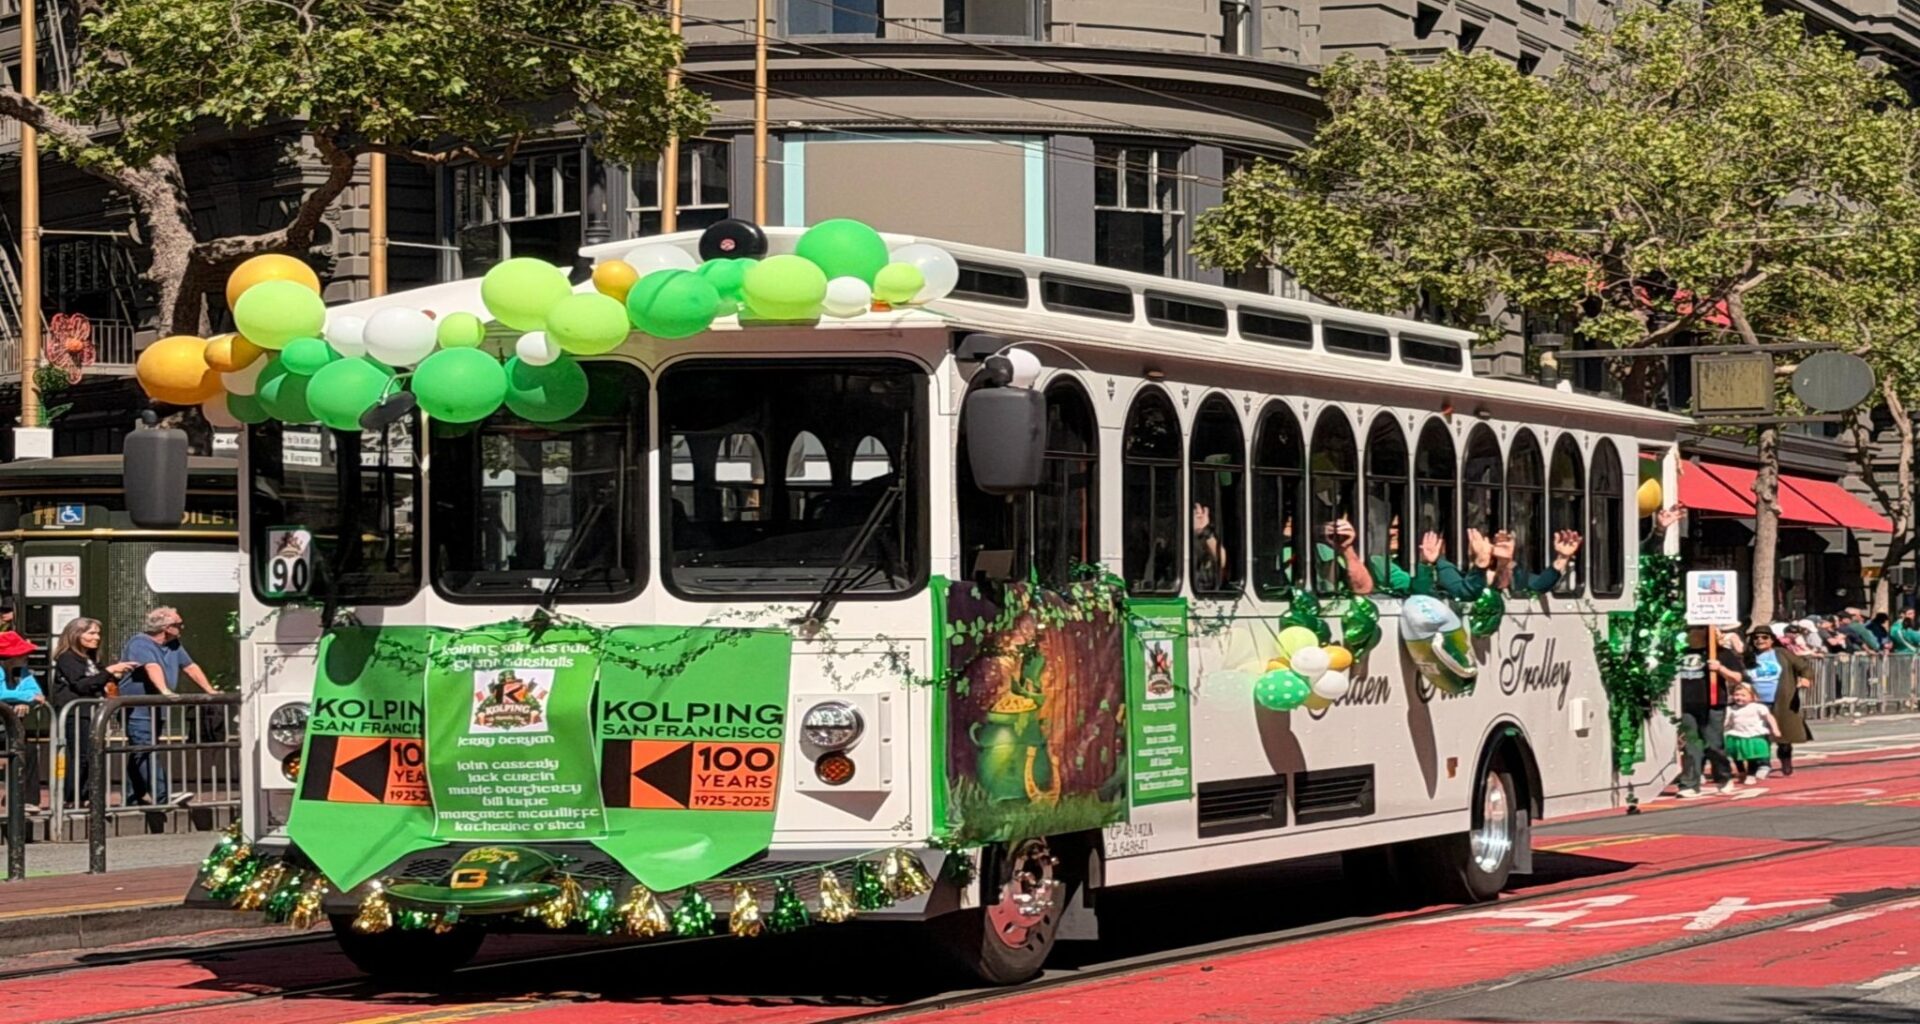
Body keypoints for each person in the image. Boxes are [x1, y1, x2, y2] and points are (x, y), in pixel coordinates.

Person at [120, 607, 213, 806]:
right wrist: (165, 691)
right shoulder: (140, 643)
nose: (182, 628)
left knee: (141, 751)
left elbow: (190, 666)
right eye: (179, 625)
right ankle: (163, 796)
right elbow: (151, 666)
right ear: (167, 627)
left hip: (156, 709)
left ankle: (131, 797)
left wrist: (210, 691)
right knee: (145, 749)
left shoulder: (174, 645)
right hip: (137, 709)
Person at [51, 619, 137, 808]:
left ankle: (90, 796)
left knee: (93, 754)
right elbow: (82, 684)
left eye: (98, 633)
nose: (96, 637)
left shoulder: (91, 658)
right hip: (75, 713)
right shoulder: (67, 657)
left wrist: (112, 676)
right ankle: (72, 797)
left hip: (93, 712)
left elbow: (98, 681)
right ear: (76, 635)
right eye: (90, 633)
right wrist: (109, 671)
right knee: (80, 755)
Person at [1676, 624, 1742, 797]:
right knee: (1692, 745)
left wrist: (1720, 668)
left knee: (1714, 744)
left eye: (1695, 629)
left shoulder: (1720, 653)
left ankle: (1723, 776)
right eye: (1689, 629)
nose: (1691, 632)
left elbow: (1737, 677)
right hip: (1687, 704)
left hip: (1712, 703)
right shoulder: (1679, 652)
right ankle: (1689, 783)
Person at [1752, 625, 1815, 777]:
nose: (1760, 640)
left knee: (1784, 736)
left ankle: (1786, 761)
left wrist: (1806, 678)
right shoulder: (1749, 655)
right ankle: (1762, 765)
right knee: (1758, 736)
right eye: (1756, 637)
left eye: (1764, 637)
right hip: (1756, 702)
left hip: (1782, 700)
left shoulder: (1782, 653)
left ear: (1772, 640)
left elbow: (1804, 667)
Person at [0, 631, 49, 813]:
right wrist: (24, 697)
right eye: (22, 653)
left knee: (27, 750)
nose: (27, 656)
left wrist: (24, 700)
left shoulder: (23, 671)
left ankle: (27, 799)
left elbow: (35, 691)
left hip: (8, 725)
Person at [1722, 682, 1781, 785]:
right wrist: (1722, 729)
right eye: (1736, 695)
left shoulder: (1758, 707)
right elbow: (1726, 721)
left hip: (1753, 735)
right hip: (1737, 735)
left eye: (1743, 695)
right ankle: (1741, 772)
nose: (1739, 698)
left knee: (1752, 757)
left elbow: (1769, 717)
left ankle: (1751, 774)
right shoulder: (1731, 709)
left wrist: (1775, 729)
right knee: (1737, 756)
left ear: (1752, 696)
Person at [1192, 502, 1228, 592]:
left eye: (1200, 514)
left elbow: (1222, 561)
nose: (1199, 517)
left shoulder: (1207, 537)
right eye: (1195, 513)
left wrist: (1204, 531)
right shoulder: (1174, 541)